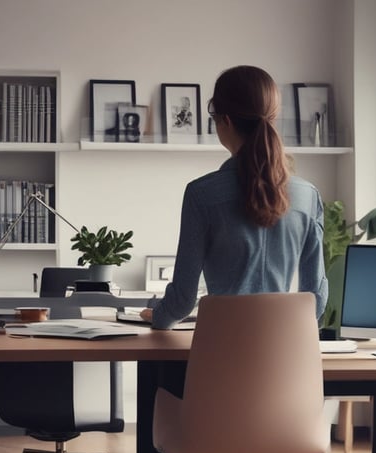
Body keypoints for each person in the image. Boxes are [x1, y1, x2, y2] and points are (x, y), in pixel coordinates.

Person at [140, 64, 327, 329]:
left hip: (222, 349)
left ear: (224, 120)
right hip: (286, 351)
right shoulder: (308, 196)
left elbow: (182, 300)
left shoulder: (201, 194)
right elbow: (316, 298)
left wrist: (158, 317)